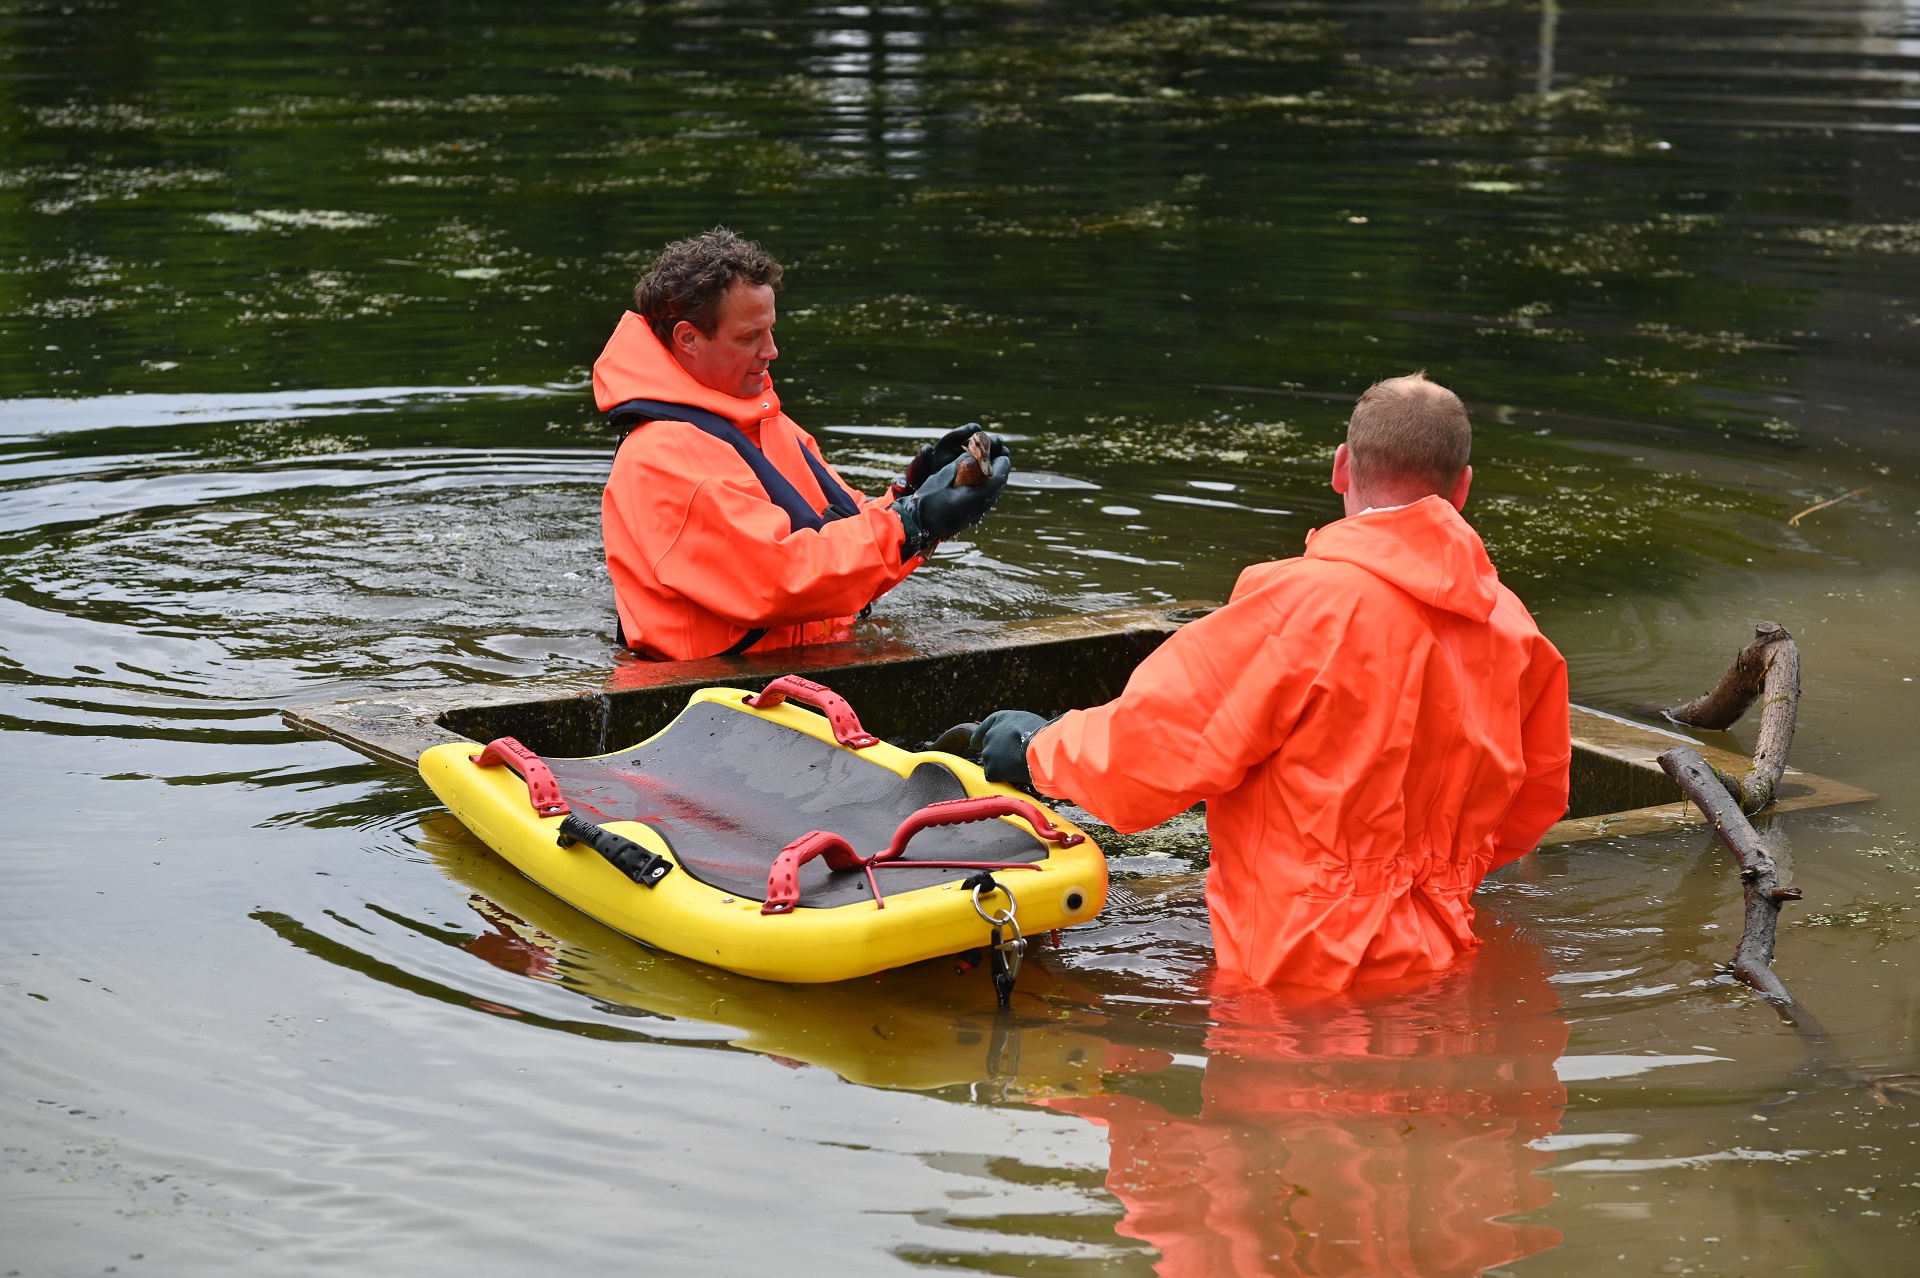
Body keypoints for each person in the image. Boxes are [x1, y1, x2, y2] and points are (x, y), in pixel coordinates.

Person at [972, 372, 1570, 991]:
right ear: (1463, 489)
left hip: (1297, 966)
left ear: (1342, 468)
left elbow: (1155, 749)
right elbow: (1535, 802)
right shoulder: (1516, 628)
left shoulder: (1302, 606)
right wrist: (1428, 876)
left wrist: (1038, 747)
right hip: (1442, 947)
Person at [593, 227, 1011, 660]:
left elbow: (844, 542)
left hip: (799, 669)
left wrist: (917, 497)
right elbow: (777, 580)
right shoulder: (661, 459)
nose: (771, 350)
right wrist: (911, 523)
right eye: (748, 337)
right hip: (710, 698)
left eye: (770, 330)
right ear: (688, 339)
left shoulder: (763, 419)